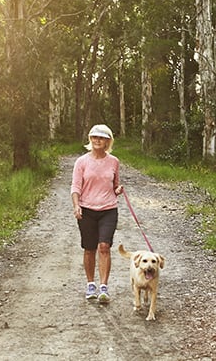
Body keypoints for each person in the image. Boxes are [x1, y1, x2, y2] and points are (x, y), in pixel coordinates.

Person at [71, 124, 123, 303]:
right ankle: (90, 284)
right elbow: (76, 187)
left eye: (101, 138)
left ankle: (104, 287)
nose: (97, 140)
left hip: (108, 209)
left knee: (104, 246)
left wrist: (118, 189)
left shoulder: (114, 161)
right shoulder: (82, 162)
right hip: (87, 209)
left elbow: (115, 184)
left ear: (108, 141)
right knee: (89, 248)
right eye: (94, 137)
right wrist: (76, 206)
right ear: (90, 139)